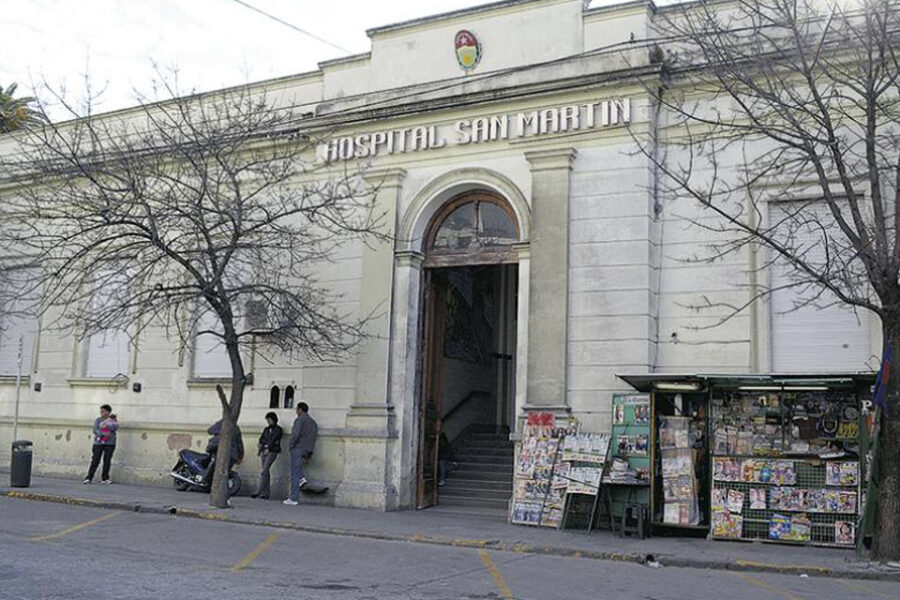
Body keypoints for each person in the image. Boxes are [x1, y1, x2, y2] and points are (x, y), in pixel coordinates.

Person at [283, 402, 317, 506]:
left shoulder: (299, 420)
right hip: (308, 449)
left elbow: (295, 435)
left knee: (294, 474)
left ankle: (293, 498)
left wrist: (290, 445)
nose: (296, 411)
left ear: (300, 410)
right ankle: (302, 478)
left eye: (297, 409)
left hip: (298, 448)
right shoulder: (313, 422)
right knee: (298, 471)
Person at [84, 404, 119, 484]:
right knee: (95, 460)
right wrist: (103, 433)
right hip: (98, 443)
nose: (101, 413)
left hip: (110, 443)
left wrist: (108, 424)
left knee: (107, 460)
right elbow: (95, 430)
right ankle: (89, 477)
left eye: (103, 411)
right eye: (101, 411)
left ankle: (105, 478)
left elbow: (115, 428)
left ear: (108, 412)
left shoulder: (113, 420)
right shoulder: (98, 420)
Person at [251, 411, 283, 499]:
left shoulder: (278, 429)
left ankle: (259, 490)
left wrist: (268, 447)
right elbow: (262, 439)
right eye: (267, 420)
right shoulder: (266, 429)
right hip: (263, 451)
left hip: (272, 451)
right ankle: (266, 493)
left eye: (270, 420)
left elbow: (275, 440)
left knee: (264, 471)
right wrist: (261, 447)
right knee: (266, 472)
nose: (268, 422)